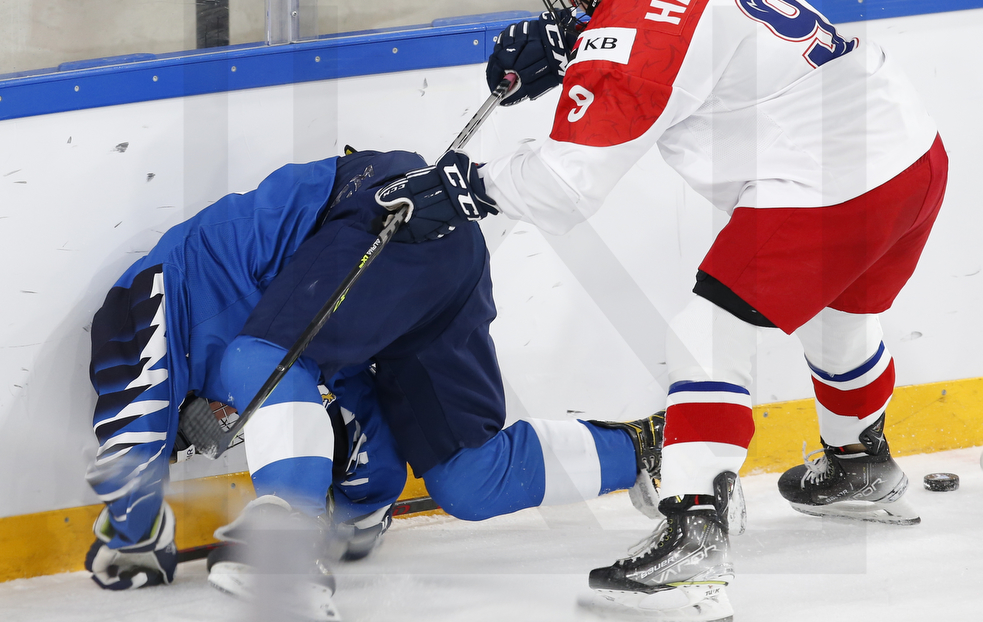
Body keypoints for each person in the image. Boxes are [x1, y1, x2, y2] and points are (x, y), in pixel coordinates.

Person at [374, 0, 947, 620]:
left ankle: (693, 535)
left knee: (705, 336)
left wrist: (466, 185)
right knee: (840, 314)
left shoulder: (629, 39)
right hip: (908, 151)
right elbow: (677, 35)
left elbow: (565, 184)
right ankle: (861, 463)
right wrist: (572, 47)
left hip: (830, 179)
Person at [85, 146, 665, 617]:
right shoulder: (302, 360)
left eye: (193, 428)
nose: (220, 429)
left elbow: (131, 440)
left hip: (386, 206)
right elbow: (365, 446)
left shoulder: (135, 311)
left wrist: (135, 537)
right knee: (469, 478)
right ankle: (653, 446)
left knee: (257, 359)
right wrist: (357, 513)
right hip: (438, 255)